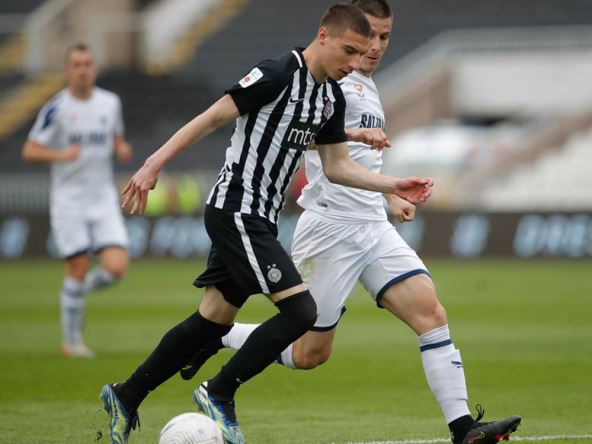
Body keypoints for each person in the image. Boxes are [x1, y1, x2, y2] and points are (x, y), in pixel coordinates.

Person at [179, 1, 522, 444]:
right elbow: (293, 136)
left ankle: (464, 428)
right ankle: (220, 336)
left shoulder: (367, 86)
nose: (375, 46)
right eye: (369, 36)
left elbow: (357, 158)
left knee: (431, 312)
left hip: (372, 226)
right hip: (330, 228)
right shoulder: (329, 80)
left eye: (385, 37)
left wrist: (387, 199)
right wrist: (369, 162)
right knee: (309, 353)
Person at [99, 4, 433, 444]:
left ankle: (126, 395)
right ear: (324, 36)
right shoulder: (277, 73)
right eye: (349, 50)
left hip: (261, 217)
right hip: (235, 208)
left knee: (212, 322)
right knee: (301, 312)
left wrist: (393, 185)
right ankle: (219, 392)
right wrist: (152, 164)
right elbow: (212, 117)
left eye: (361, 54)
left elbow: (338, 167)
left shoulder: (329, 98)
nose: (355, 62)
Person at [22, 43, 132, 359]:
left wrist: (121, 148)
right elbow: (29, 150)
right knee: (79, 265)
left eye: (87, 64)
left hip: (103, 198)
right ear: (68, 70)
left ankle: (74, 293)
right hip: (69, 200)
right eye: (77, 64)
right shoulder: (56, 107)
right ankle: (72, 342)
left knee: (116, 267)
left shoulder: (110, 103)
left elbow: (117, 138)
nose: (83, 70)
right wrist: (61, 155)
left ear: (94, 69)